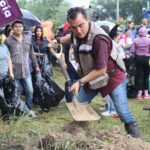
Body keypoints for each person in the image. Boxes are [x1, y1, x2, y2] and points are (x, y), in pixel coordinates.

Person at [50, 7, 140, 138]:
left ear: (87, 19)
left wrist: (79, 82)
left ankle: (135, 141)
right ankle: (81, 134)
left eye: (81, 25)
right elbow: (71, 38)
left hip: (112, 77)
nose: (78, 30)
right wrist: (57, 41)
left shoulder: (99, 39)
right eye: (74, 27)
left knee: (122, 111)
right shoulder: (76, 32)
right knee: (79, 103)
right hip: (93, 78)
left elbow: (101, 70)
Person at [5, 20, 40, 117]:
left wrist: (36, 66)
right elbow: (5, 56)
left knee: (30, 91)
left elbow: (32, 55)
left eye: (20, 26)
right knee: (16, 92)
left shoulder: (28, 40)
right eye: (16, 26)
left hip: (26, 70)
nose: (18, 28)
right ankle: (18, 111)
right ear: (12, 28)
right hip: (13, 72)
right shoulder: (8, 41)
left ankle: (28, 110)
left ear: (23, 28)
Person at [131, 27, 150, 100]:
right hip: (147, 59)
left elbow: (132, 50)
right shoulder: (149, 40)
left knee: (139, 76)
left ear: (139, 32)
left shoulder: (135, 40)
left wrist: (137, 53)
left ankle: (139, 94)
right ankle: (146, 93)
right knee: (146, 75)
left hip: (138, 58)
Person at [0, 30, 14, 118]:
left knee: (5, 96)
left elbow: (8, 59)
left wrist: (11, 72)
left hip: (5, 76)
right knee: (1, 97)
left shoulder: (4, 46)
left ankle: (5, 116)